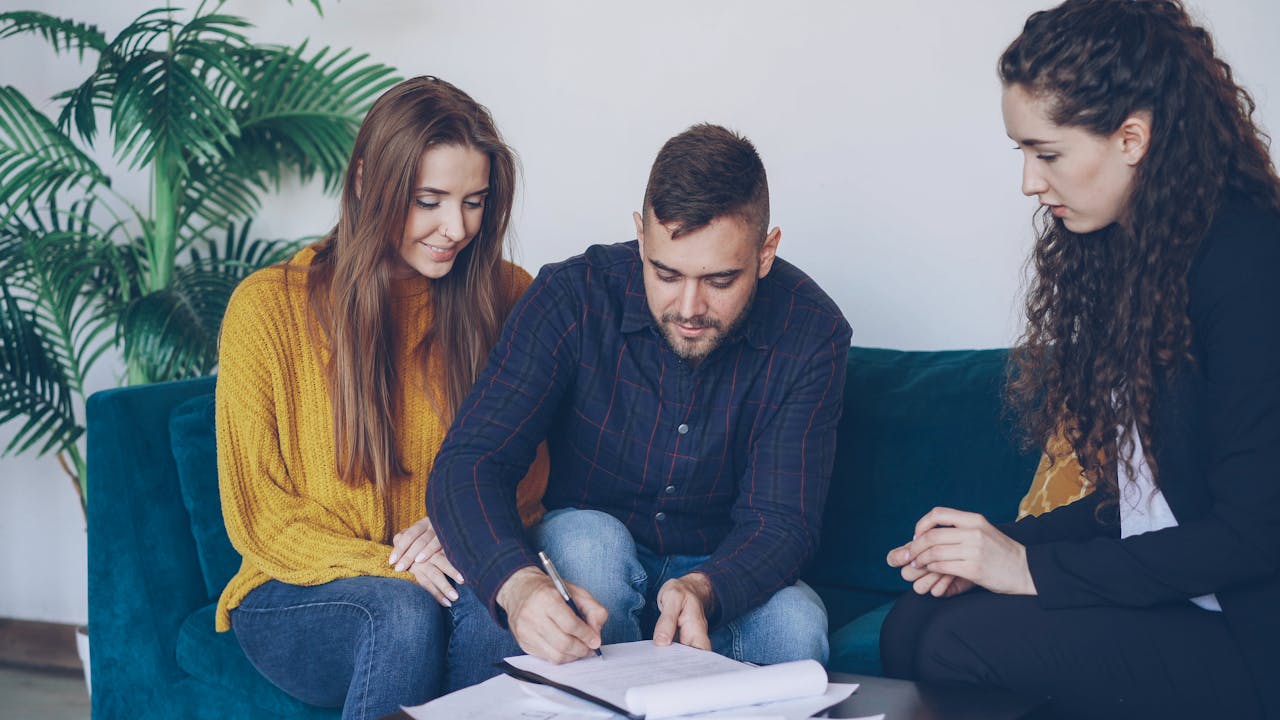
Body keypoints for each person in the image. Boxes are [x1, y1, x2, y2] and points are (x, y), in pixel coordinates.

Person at [879, 2, 1280, 718]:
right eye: (1022, 154)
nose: (1030, 183)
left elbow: (1253, 535)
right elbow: (1144, 507)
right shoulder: (1129, 256)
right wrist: (988, 547)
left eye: (1048, 153)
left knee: (950, 644)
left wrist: (1026, 567)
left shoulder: (1250, 264)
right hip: (1179, 591)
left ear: (1132, 137)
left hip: (1249, 630)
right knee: (911, 621)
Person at [428, 124, 851, 666]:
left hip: (720, 574)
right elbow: (469, 462)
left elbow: (783, 521)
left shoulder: (811, 332)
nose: (690, 307)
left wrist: (707, 586)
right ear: (640, 235)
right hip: (588, 564)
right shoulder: (572, 296)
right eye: (666, 273)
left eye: (720, 281)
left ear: (766, 253)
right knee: (589, 543)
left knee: (795, 623)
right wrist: (518, 586)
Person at [215, 76, 547, 719]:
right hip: (299, 586)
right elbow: (261, 517)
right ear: (367, 180)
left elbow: (533, 463)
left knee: (496, 608)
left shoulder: (508, 296)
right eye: (429, 201)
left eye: (474, 202)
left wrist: (464, 529)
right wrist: (396, 564)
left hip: (453, 571)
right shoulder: (268, 308)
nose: (456, 227)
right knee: (401, 612)